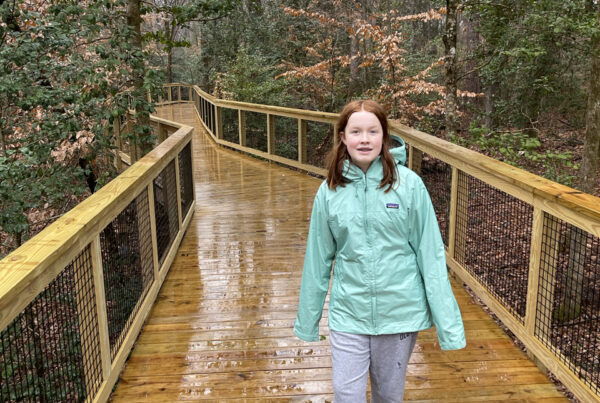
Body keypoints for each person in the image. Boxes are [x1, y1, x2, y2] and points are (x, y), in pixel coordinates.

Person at [294, 100, 466, 402]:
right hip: (349, 312)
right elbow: (317, 260)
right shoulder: (330, 190)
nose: (364, 139)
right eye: (356, 131)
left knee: (388, 396)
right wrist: (307, 322)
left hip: (399, 312)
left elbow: (431, 255)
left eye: (373, 131)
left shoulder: (409, 185)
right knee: (347, 395)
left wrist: (448, 327)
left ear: (384, 138)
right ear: (343, 137)